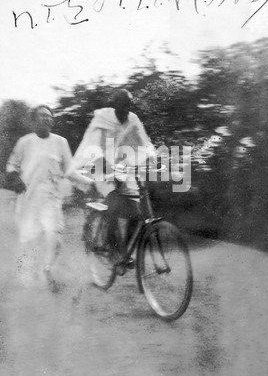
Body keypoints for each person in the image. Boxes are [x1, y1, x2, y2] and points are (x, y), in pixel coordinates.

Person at [67, 89, 156, 272]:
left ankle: (125, 250)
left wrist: (152, 159)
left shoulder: (133, 119)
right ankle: (114, 251)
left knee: (138, 212)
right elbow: (92, 145)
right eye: (122, 104)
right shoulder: (102, 119)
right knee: (113, 203)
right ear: (114, 104)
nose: (126, 109)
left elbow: (144, 143)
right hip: (99, 166)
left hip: (122, 168)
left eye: (129, 105)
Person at [6, 105, 72, 285]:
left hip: (51, 199)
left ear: (52, 121)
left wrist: (87, 184)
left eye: (49, 116)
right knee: (29, 239)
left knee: (55, 238)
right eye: (41, 116)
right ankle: (25, 279)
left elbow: (70, 169)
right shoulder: (24, 142)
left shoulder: (61, 142)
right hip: (29, 199)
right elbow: (12, 164)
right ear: (33, 120)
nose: (46, 119)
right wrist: (14, 177)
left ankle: (46, 270)